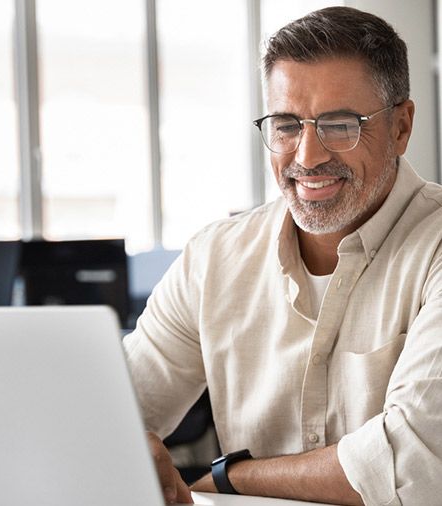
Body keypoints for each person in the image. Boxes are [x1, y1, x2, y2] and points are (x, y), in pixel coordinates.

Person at [124, 6, 442, 506]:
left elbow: (415, 462)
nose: (307, 156)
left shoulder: (436, 247)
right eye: (287, 124)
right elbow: (114, 411)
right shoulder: (214, 258)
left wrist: (232, 478)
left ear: (401, 126)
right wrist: (126, 445)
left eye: (340, 124)